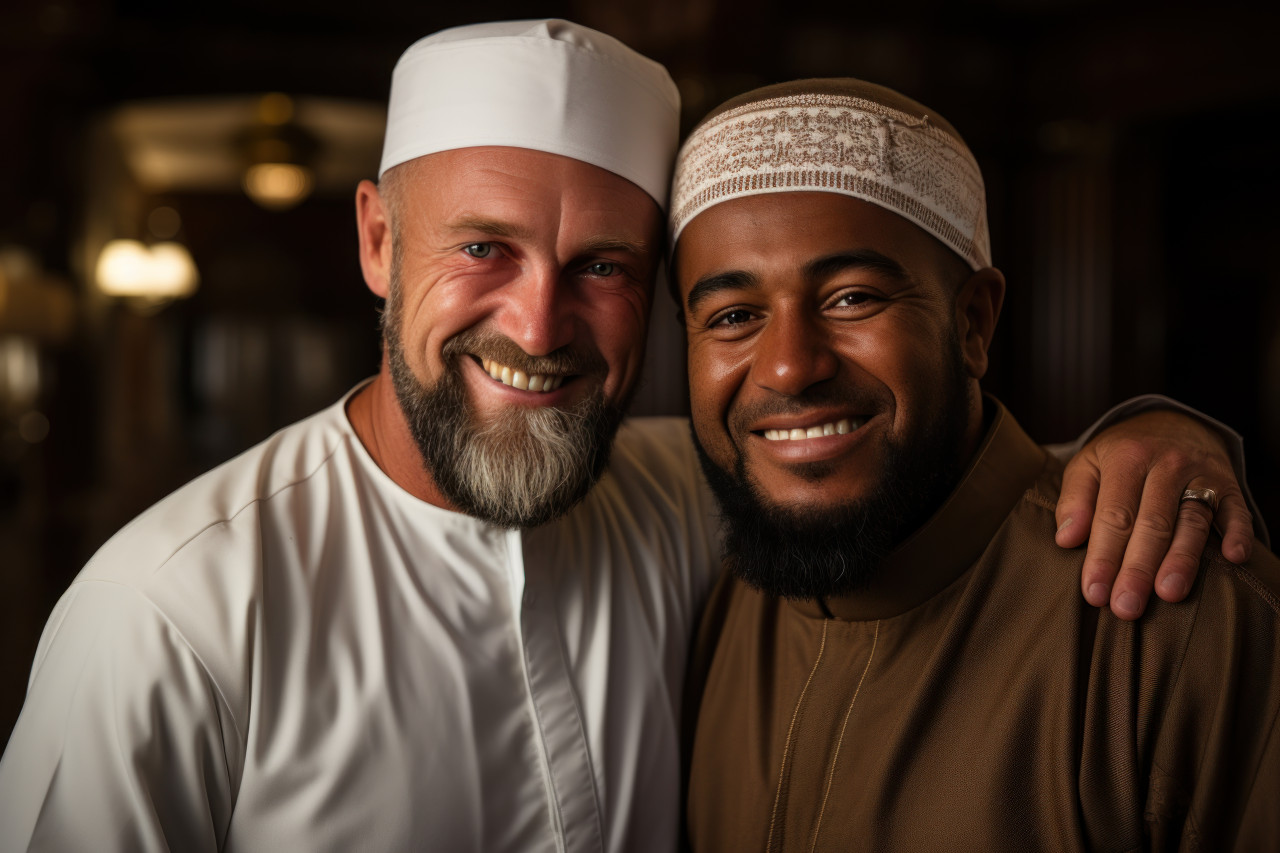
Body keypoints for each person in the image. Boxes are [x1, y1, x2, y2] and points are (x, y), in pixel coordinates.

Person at [0, 21, 1261, 853]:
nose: (539, 322)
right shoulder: (169, 616)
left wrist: (1154, 429)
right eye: (482, 247)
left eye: (601, 264)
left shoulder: (686, 496)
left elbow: (901, 459)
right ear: (379, 241)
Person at [672, 78, 1280, 851]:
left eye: (853, 298)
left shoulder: (1180, 625)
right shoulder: (710, 594)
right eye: (733, 317)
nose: (789, 368)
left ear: (972, 322)